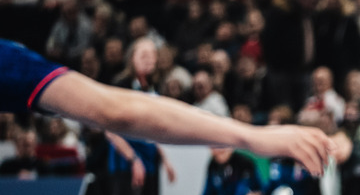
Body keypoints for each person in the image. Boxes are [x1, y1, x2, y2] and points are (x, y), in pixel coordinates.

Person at [0, 38, 335, 176]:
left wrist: (249, 137)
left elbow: (119, 111)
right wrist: (250, 136)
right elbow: (112, 115)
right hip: (125, 163)